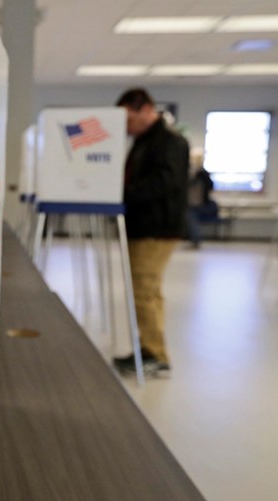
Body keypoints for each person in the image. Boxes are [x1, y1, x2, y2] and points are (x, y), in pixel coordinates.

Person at [112, 88, 189, 377]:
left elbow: (163, 183)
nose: (126, 126)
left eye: (129, 119)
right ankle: (148, 349)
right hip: (145, 225)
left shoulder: (170, 142)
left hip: (156, 227)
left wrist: (122, 193)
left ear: (146, 109)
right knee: (148, 290)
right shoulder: (146, 140)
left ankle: (155, 355)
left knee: (144, 290)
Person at [185, 148, 217, 248]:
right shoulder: (189, 172)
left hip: (197, 203)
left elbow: (210, 186)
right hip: (190, 202)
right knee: (191, 219)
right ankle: (194, 240)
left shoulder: (202, 174)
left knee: (192, 219)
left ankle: (196, 240)